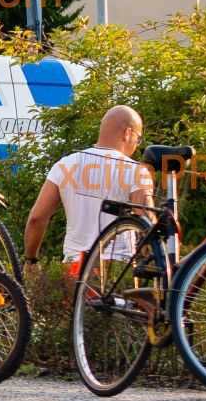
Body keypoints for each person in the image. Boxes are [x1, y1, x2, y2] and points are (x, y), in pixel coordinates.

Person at [23, 105, 153, 277]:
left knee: (70, 303)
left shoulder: (65, 165)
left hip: (73, 268)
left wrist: (31, 259)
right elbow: (148, 223)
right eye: (138, 138)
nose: (137, 144)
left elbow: (37, 218)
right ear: (127, 133)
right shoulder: (136, 171)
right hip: (117, 271)